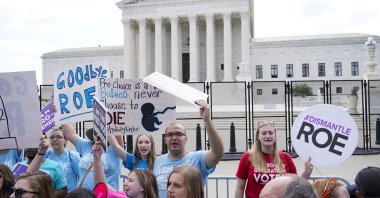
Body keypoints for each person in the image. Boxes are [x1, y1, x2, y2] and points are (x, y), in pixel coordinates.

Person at [153, 99, 224, 198]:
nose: (174, 138)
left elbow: (218, 152)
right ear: (165, 140)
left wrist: (207, 121)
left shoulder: (199, 158)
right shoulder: (158, 160)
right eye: (169, 135)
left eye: (178, 134)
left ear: (186, 139)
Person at [235, 120, 313, 198]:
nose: (268, 136)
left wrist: (307, 172)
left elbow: (296, 186)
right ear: (258, 136)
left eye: (271, 133)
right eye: (264, 133)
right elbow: (240, 187)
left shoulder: (285, 157)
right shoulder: (248, 157)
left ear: (275, 136)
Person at [61, 124, 122, 190]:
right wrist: (61, 114)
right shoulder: (87, 145)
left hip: (106, 195)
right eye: (96, 133)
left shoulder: (115, 150)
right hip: (84, 195)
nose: (99, 135)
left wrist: (106, 119)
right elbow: (69, 133)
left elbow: (116, 127)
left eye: (102, 132)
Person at [93, 138, 158, 198]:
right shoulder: (123, 196)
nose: (125, 183)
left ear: (143, 186)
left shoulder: (157, 161)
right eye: (140, 142)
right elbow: (101, 185)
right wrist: (97, 158)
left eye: (131, 180)